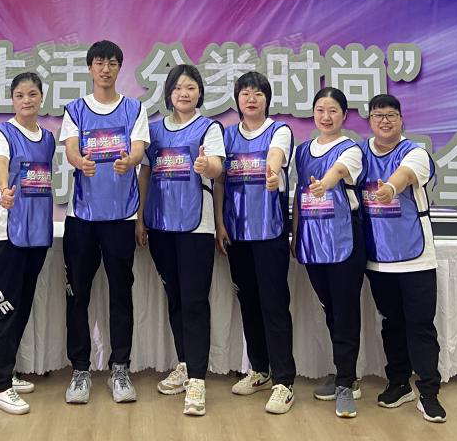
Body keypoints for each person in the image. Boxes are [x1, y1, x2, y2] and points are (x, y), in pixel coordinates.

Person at [61, 39, 149, 405]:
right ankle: (80, 369)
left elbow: (139, 147)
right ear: (90, 68)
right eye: (99, 62)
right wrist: (78, 161)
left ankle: (120, 368)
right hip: (81, 217)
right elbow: (70, 147)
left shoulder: (134, 108)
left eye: (112, 63)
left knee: (120, 294)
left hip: (121, 216)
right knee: (77, 295)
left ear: (119, 68)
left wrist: (130, 161)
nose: (105, 69)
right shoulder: (75, 109)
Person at [136, 63, 223, 416]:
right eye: (177, 88)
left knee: (194, 301)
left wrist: (206, 167)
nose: (184, 93)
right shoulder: (154, 131)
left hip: (196, 227)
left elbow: (217, 167)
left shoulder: (209, 128)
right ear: (168, 93)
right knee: (174, 298)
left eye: (190, 87)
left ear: (199, 93)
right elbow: (145, 172)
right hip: (160, 225)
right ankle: (185, 364)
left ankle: (198, 380)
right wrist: (140, 218)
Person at [361, 93, 446, 424]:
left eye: (391, 115)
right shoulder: (361, 154)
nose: (384, 121)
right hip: (378, 257)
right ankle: (398, 383)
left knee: (420, 325)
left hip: (415, 257)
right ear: (370, 120)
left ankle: (429, 392)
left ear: (401, 120)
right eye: (378, 115)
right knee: (391, 324)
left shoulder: (415, 152)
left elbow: (406, 175)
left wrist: (390, 189)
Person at [214, 71, 295, 415]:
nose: (251, 98)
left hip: (269, 232)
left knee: (274, 305)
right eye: (245, 93)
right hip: (236, 233)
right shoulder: (227, 135)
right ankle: (260, 369)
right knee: (248, 303)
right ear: (237, 99)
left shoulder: (280, 130)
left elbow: (275, 156)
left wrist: (271, 172)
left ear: (267, 99)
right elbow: (219, 181)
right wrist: (219, 223)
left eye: (258, 93)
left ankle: (284, 381)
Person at [0, 71, 55, 415]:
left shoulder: (48, 138)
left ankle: (7, 372)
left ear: (41, 98)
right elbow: (1, 162)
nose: (27, 100)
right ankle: (0, 385)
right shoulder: (2, 133)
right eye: (20, 95)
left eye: (32, 94)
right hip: (7, 232)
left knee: (22, 304)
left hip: (37, 233)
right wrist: (4, 188)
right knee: (4, 306)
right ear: (12, 99)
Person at [292, 86, 364, 419]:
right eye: (320, 110)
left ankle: (346, 384)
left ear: (344, 115)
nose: (326, 116)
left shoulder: (351, 149)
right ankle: (344, 371)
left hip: (344, 239)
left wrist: (325, 183)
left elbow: (338, 172)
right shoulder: (302, 151)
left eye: (333, 110)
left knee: (345, 310)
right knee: (330, 310)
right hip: (312, 240)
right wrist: (295, 237)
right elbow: (298, 196)